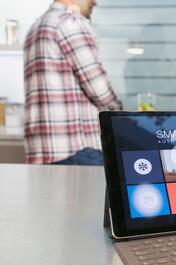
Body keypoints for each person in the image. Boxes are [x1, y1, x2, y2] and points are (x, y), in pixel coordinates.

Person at [24, 0, 122, 165]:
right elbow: (98, 88)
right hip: (79, 150)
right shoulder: (69, 22)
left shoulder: (35, 28)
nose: (95, 2)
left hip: (43, 152)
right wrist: (123, 117)